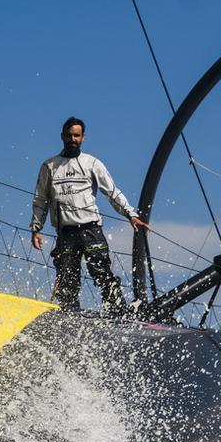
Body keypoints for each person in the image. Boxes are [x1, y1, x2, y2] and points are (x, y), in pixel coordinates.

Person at [31, 117, 148, 314]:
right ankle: (69, 313)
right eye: (68, 135)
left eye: (76, 135)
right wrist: (36, 229)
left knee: (101, 272)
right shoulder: (49, 166)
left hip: (90, 229)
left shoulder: (92, 163)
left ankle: (117, 311)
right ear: (62, 137)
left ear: (83, 137)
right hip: (65, 233)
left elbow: (112, 192)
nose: (72, 139)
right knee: (66, 277)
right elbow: (40, 199)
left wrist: (131, 215)